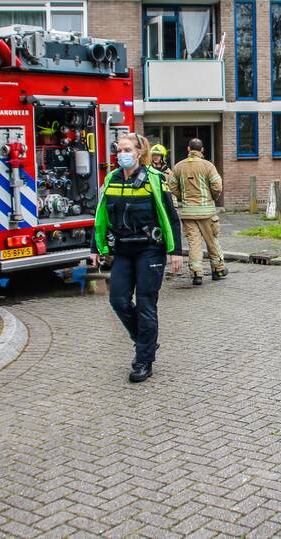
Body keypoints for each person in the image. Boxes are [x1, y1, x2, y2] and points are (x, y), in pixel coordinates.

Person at [94, 133, 182, 383]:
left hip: (149, 250)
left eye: (126, 149)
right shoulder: (110, 179)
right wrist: (95, 247)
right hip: (123, 250)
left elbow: (171, 216)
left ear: (138, 152)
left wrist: (175, 251)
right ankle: (146, 342)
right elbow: (101, 216)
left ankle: (143, 360)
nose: (121, 154)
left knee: (145, 305)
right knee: (118, 300)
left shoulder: (154, 179)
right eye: (119, 149)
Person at [171, 138, 228, 286]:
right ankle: (218, 270)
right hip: (207, 212)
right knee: (212, 241)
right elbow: (217, 186)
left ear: (188, 149)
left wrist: (182, 198)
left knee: (194, 243)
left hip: (188, 212)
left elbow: (172, 187)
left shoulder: (178, 167)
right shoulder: (208, 166)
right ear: (202, 150)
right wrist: (212, 198)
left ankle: (197, 274)